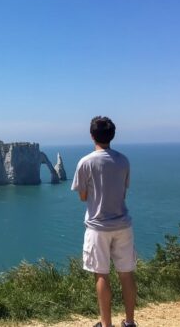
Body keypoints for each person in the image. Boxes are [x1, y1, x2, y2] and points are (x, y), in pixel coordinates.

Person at [71, 116, 137, 327]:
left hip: (98, 227)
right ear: (112, 135)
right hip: (123, 225)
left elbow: (82, 196)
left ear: (92, 135)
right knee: (126, 274)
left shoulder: (85, 162)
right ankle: (129, 322)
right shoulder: (123, 160)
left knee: (101, 275)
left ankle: (106, 324)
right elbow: (123, 193)